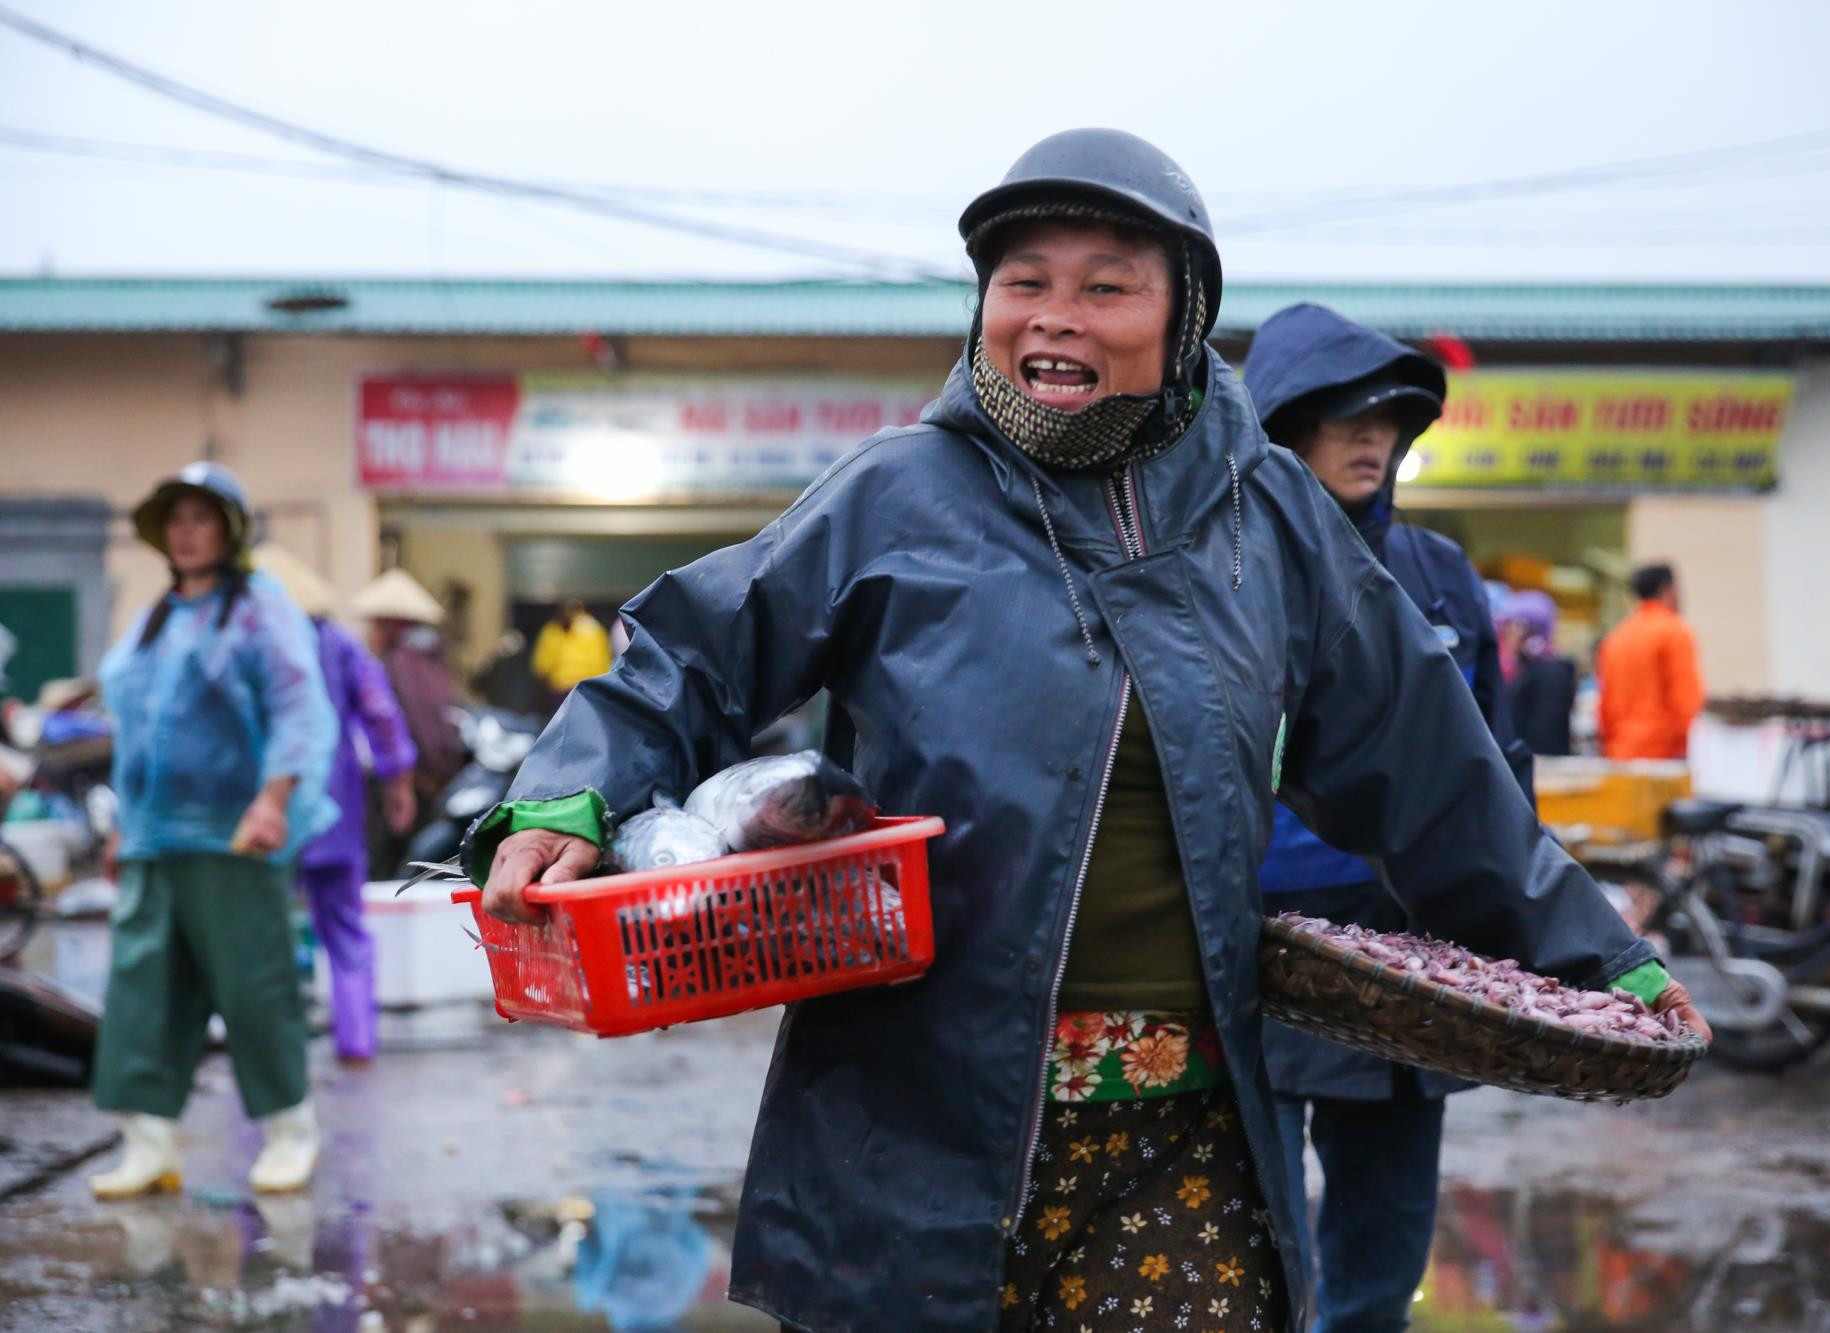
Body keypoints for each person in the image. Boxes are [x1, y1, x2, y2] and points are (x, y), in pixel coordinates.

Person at [470, 129, 1704, 1333]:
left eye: (1106, 286)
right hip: (918, 1119)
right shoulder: (899, 492)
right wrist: (563, 796)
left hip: (1184, 1140)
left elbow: (1432, 772)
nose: (1054, 315)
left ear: (1181, 316)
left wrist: (1596, 958)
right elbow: (690, 651)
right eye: (1024, 283)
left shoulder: (1268, 519)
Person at [1242, 303, 1545, 1333]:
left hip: (1405, 943)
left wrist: (1522, 931)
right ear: (1283, 425)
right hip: (1256, 948)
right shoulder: (1226, 570)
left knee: (1381, 1254)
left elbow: (1496, 763)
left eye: (1389, 417)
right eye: (1342, 415)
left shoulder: (1437, 574)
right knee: (1254, 1244)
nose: (1370, 435)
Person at [88, 462, 337, 1198]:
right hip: (153, 836)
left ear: (229, 529)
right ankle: (147, 1141)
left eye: (201, 516)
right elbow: (134, 730)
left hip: (236, 832)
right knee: (142, 993)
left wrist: (273, 799)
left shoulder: (261, 605)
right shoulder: (156, 614)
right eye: (175, 518)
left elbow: (299, 707)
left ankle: (291, 1129)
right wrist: (121, 826)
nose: (186, 530)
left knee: (253, 985)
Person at [254, 545, 418, 1066]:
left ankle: (269, 1055)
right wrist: (398, 785)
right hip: (335, 808)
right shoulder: (340, 644)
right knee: (344, 927)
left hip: (263, 813)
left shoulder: (249, 644)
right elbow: (381, 714)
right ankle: (355, 1041)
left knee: (261, 933)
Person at [351, 569, 463, 803]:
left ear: (391, 626)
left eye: (377, 625)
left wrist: (405, 775)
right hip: (438, 770)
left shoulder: (400, 662)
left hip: (416, 775)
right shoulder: (430, 655)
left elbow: (413, 720)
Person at [1596, 564, 1705, 760]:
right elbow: (1686, 701)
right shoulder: (1674, 632)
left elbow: (1605, 704)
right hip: (1662, 755)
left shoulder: (1616, 637)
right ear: (1668, 589)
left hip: (1620, 752)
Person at [1502, 589, 1577, 758]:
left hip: (1539, 772)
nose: (1508, 632)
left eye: (1514, 625)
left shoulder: (1549, 673)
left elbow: (1546, 737)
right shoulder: (1528, 669)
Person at [531, 598, 614, 705]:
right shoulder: (554, 630)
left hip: (581, 687)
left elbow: (600, 660)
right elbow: (542, 663)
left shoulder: (592, 630)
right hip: (562, 688)